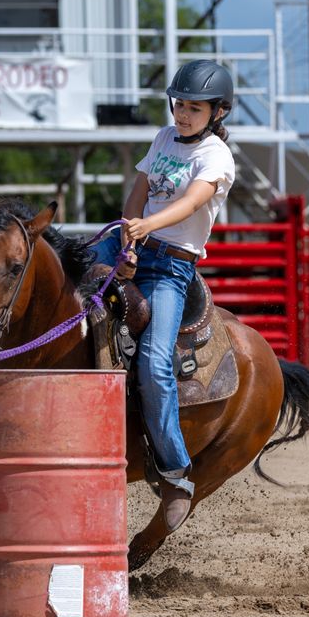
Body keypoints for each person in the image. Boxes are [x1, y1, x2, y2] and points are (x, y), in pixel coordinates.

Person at [90, 59, 235, 533]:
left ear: (217, 112)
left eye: (195, 108)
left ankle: (175, 473)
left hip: (171, 265)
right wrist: (129, 236)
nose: (184, 114)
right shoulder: (163, 138)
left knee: (154, 362)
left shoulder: (215, 157)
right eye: (179, 105)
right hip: (134, 241)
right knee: (62, 278)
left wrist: (146, 227)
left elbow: (192, 201)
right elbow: (139, 190)